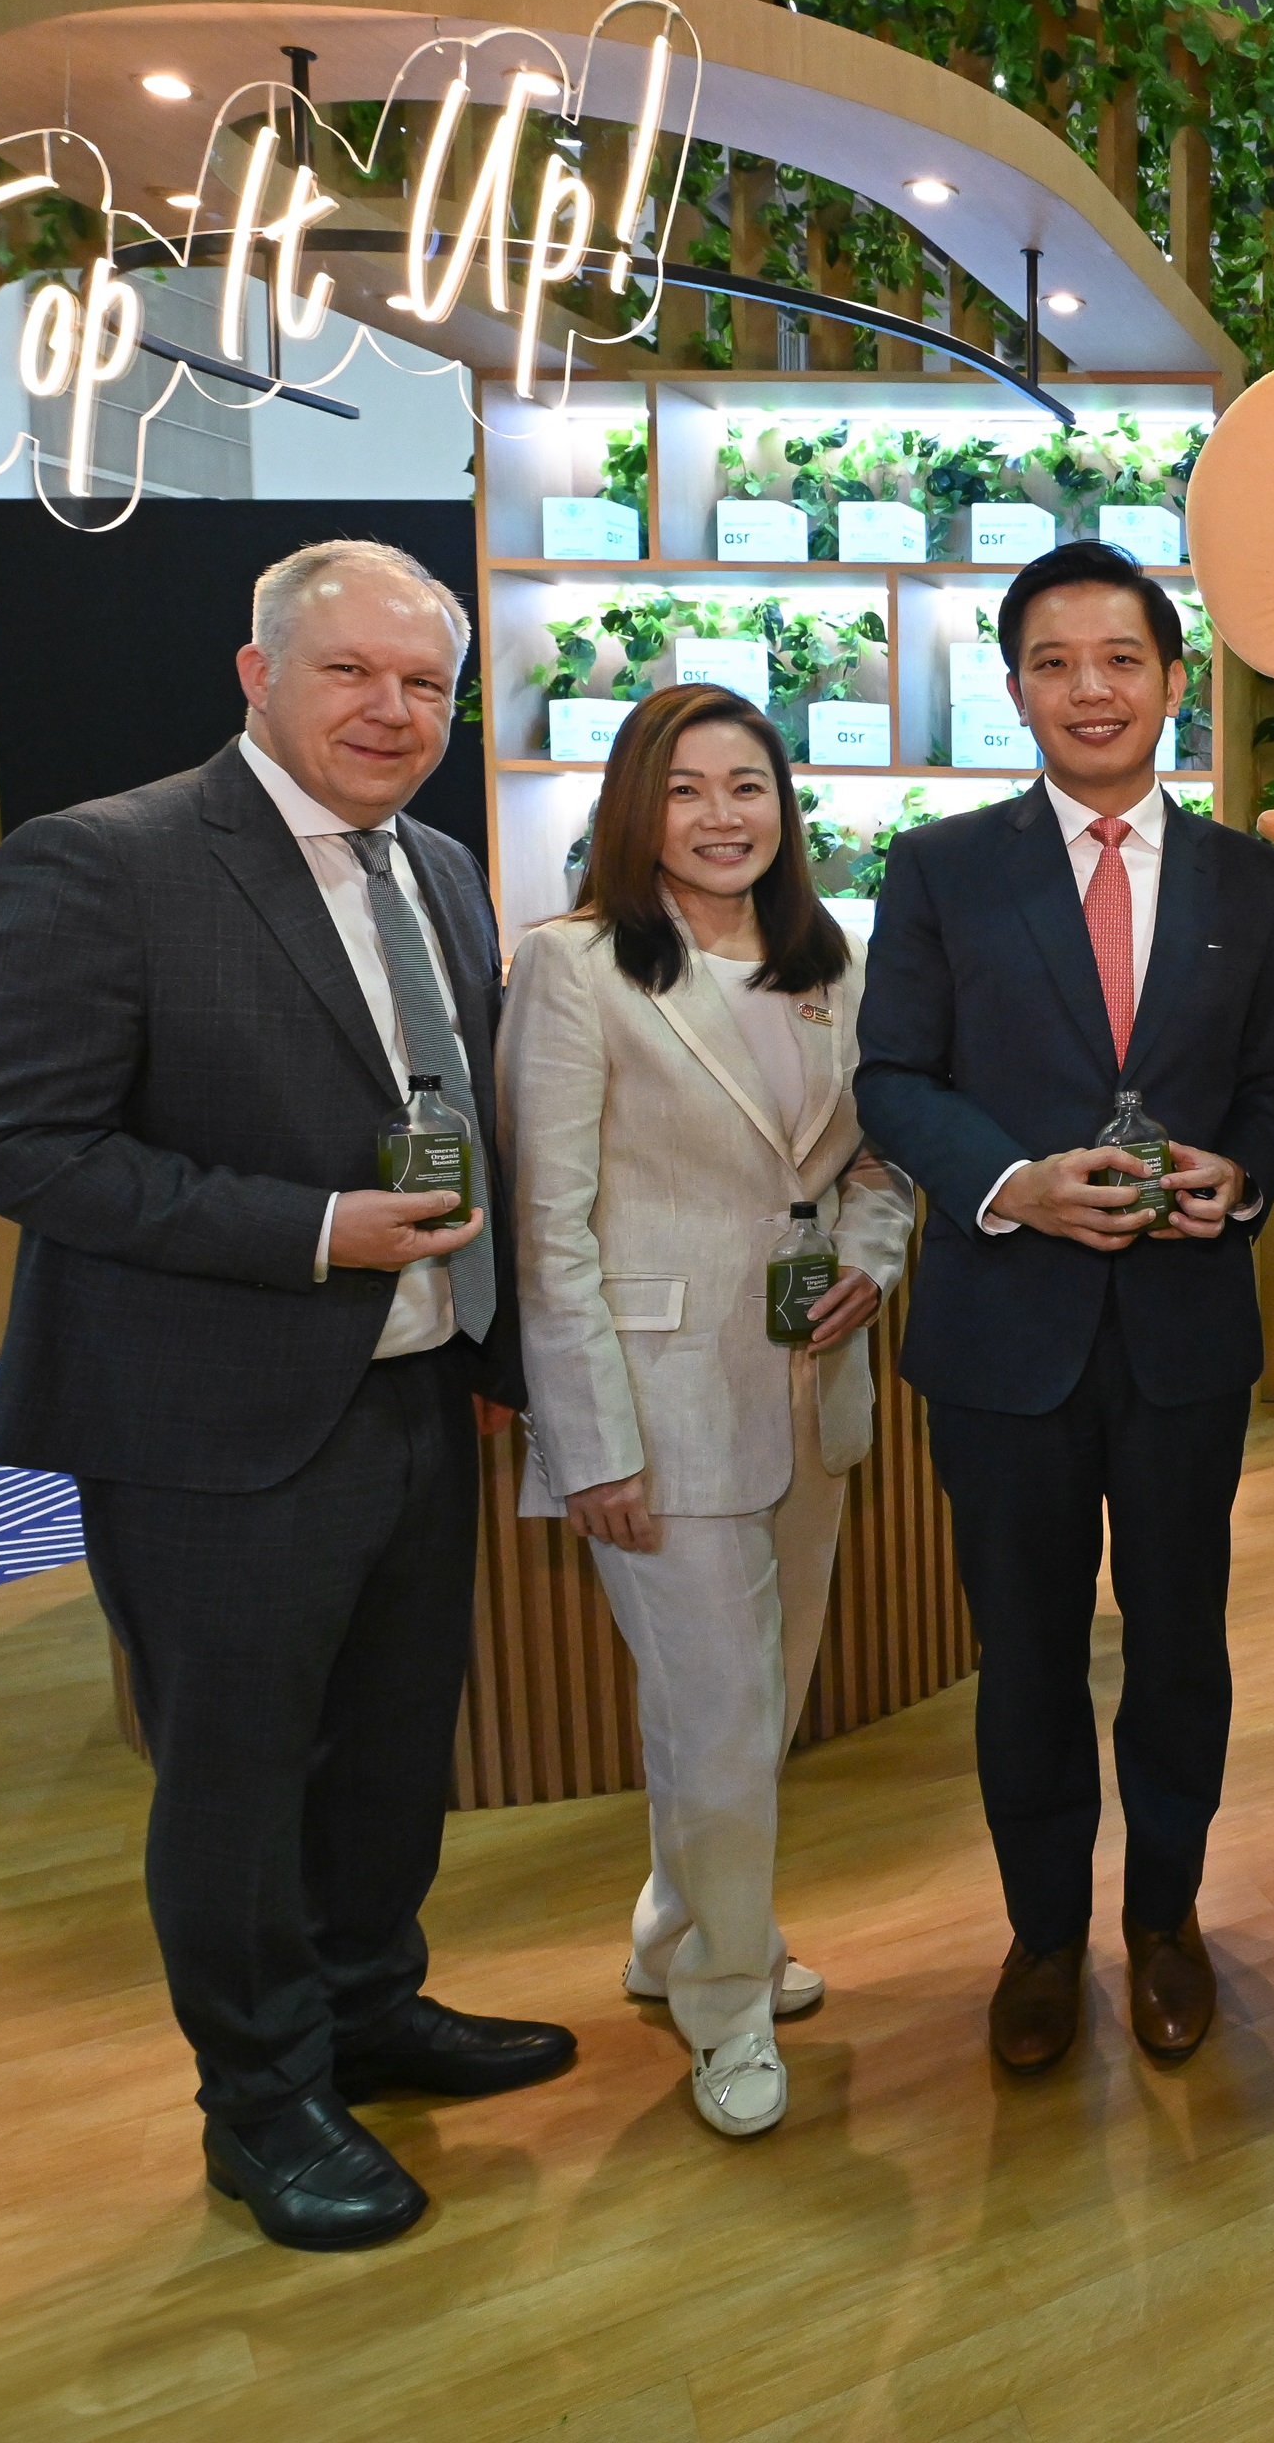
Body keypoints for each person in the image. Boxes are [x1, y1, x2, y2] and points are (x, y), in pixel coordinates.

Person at [0, 538, 572, 2253]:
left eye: (424, 682)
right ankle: (260, 2096)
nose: (390, 710)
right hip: (209, 1427)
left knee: (385, 1752)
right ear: (257, 674)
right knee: (235, 1774)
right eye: (349, 672)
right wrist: (313, 1233)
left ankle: (369, 2007)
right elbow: (14, 1145)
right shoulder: (104, 862)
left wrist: (493, 1347)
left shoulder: (440, 869)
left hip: (410, 1397)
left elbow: (462, 1127)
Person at [852, 542, 1274, 2073]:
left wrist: (1237, 1175)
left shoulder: (1254, 883)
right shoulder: (943, 866)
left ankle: (1167, 1919)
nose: (1090, 689)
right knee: (1030, 1653)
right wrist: (1011, 1184)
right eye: (1054, 663)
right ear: (1014, 691)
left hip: (1185, 1335)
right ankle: (1043, 1937)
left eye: (1120, 658)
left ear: (1174, 682)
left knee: (1182, 1643)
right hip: (1004, 1338)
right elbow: (894, 1079)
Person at [502, 683, 917, 2139]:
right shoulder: (573, 969)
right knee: (724, 1721)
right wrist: (590, 1443)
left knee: (750, 1708)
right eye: (688, 789)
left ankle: (675, 1931)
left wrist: (869, 1265)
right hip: (660, 1407)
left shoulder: (831, 963)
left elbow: (875, 1161)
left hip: (811, 1392)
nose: (725, 816)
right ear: (635, 807)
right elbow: (546, 1229)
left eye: (751, 785)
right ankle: (728, 2000)